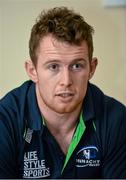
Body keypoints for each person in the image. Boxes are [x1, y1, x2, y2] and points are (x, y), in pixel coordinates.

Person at [0, 6, 126, 179]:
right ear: (32, 70)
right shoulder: (5, 121)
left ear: (92, 68)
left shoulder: (117, 119)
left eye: (77, 66)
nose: (66, 81)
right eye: (53, 66)